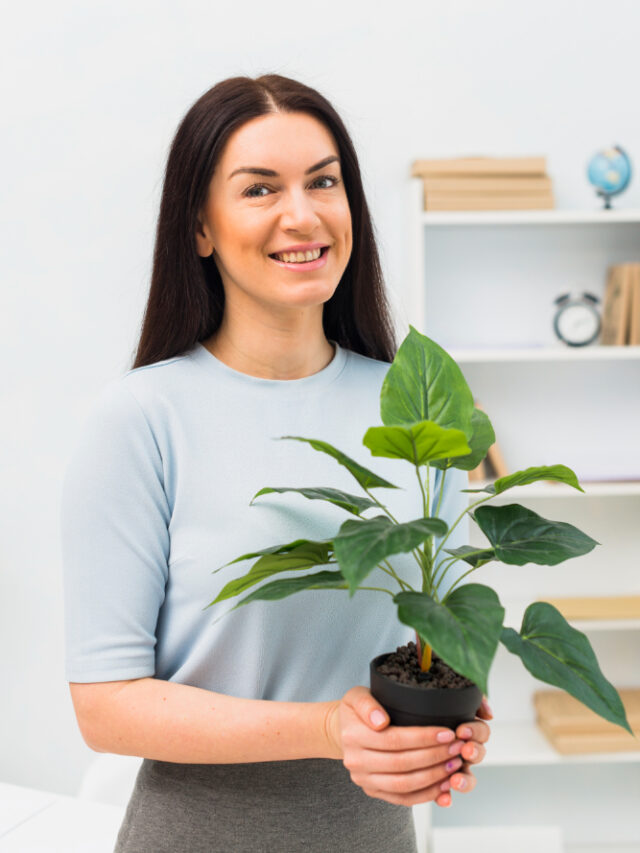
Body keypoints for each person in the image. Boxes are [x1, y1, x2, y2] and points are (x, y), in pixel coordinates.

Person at [61, 73, 492, 853]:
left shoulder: (418, 412)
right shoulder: (141, 419)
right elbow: (105, 704)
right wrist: (330, 726)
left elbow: (440, 636)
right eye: (260, 189)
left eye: (324, 181)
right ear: (200, 227)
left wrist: (448, 731)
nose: (304, 214)